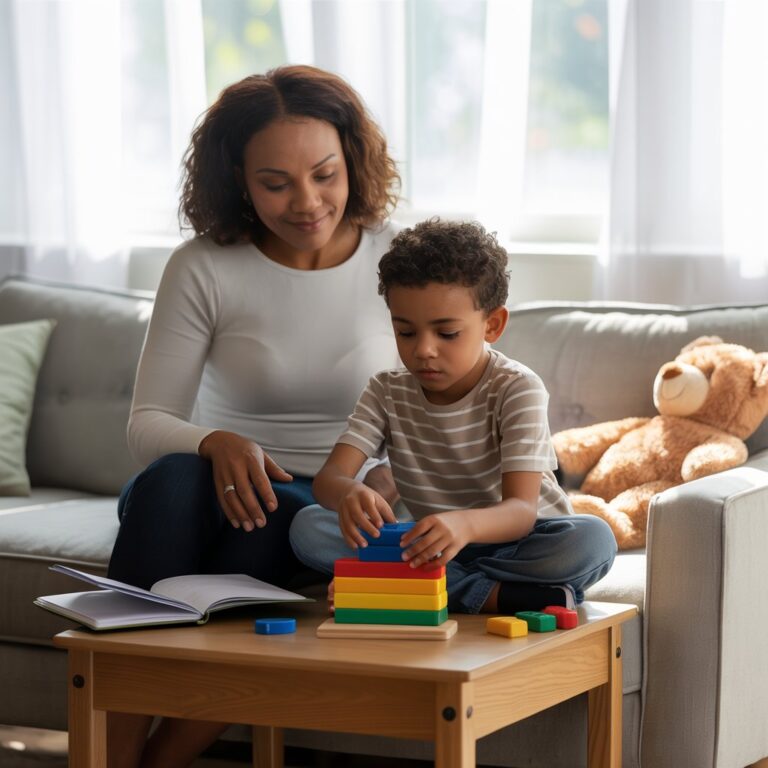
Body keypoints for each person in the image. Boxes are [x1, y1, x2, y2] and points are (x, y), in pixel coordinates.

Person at [106, 65, 402, 768]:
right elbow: (148, 422)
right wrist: (215, 440)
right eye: (276, 183)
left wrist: (396, 475)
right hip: (205, 489)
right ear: (238, 179)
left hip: (327, 496)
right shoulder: (204, 266)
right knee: (168, 486)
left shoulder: (400, 257)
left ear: (352, 163)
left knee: (272, 527)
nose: (307, 202)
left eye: (325, 175)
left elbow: (454, 390)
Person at [290, 218, 617, 615]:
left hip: (518, 540)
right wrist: (349, 493)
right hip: (431, 543)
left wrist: (464, 526)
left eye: (446, 334)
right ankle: (496, 596)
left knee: (593, 540)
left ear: (492, 325)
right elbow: (329, 480)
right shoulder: (385, 391)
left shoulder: (516, 388)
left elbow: (520, 511)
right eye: (406, 332)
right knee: (307, 527)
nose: (423, 350)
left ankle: (421, 586)